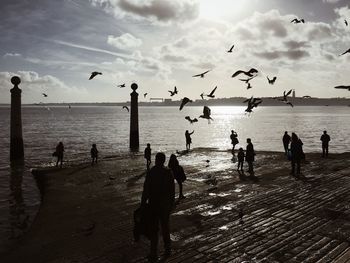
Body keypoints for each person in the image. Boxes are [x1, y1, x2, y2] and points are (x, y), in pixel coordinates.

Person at [141, 153, 175, 262]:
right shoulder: (168, 172)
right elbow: (172, 190)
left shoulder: (151, 172)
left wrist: (142, 203)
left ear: (156, 160)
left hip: (153, 204)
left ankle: (153, 252)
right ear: (164, 160)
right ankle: (167, 248)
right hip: (164, 204)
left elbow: (146, 189)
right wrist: (171, 203)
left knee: (154, 229)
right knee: (165, 226)